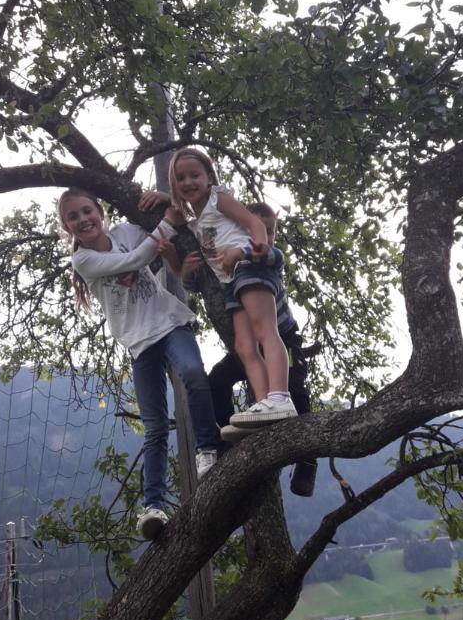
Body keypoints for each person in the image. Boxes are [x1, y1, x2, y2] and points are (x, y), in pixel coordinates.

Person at [57, 187, 219, 541]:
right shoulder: (82, 261)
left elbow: (172, 230)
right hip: (139, 342)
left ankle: (207, 448)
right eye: (73, 216)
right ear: (66, 226)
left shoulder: (127, 233)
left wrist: (164, 200)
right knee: (156, 426)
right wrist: (164, 225)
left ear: (100, 211)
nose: (83, 219)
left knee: (193, 373)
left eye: (87, 211)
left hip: (171, 322)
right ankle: (153, 505)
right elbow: (136, 259)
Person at [166, 147, 297, 428]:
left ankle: (280, 397)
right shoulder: (195, 221)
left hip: (249, 267)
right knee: (243, 345)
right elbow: (184, 269)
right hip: (231, 283)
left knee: (265, 330)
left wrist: (252, 249)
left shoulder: (218, 199)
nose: (188, 182)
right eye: (181, 178)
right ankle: (265, 407)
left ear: (209, 177)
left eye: (194, 175)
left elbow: (252, 223)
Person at [207, 203, 318, 497]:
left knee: (294, 388)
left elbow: (270, 253)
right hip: (250, 349)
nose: (265, 237)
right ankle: (227, 439)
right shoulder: (234, 269)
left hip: (283, 340)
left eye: (271, 231)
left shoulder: (268, 259)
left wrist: (244, 251)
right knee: (216, 380)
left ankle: (307, 462)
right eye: (258, 230)